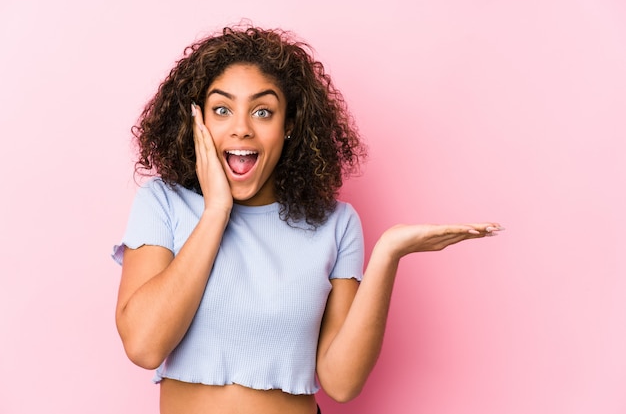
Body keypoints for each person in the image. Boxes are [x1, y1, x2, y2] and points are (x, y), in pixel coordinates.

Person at [112, 24, 503, 414]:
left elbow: (342, 382)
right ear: (198, 122)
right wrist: (217, 211)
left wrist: (387, 253)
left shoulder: (336, 224)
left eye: (263, 111)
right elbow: (145, 345)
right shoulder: (162, 203)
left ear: (289, 126)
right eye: (222, 110)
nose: (242, 128)